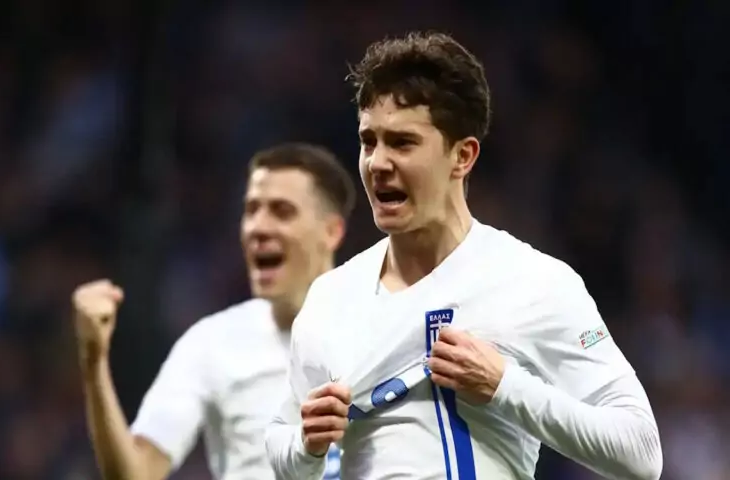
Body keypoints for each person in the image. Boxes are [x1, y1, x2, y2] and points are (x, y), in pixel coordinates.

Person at [265, 32, 663, 480]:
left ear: (462, 156)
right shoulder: (331, 298)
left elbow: (640, 451)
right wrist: (306, 444)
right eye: (368, 141)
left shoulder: (534, 283)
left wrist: (505, 387)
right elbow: (282, 442)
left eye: (402, 142)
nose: (377, 163)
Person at [72, 143, 356, 480]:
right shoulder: (211, 344)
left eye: (282, 211)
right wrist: (94, 360)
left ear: (331, 231)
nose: (258, 227)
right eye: (251, 210)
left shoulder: (386, 330)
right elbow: (136, 474)